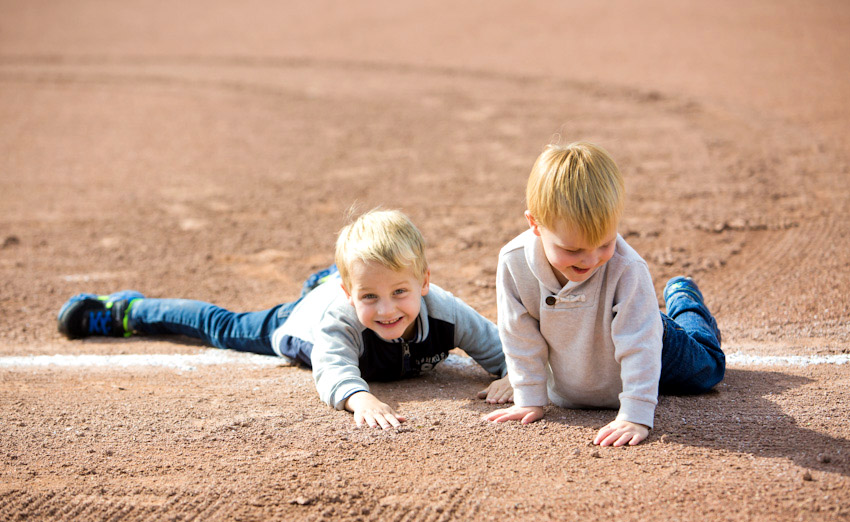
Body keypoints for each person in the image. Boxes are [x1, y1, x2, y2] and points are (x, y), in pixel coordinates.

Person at [58, 209, 509, 429]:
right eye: (370, 296)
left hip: (340, 283)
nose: (388, 310)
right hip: (300, 317)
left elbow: (501, 345)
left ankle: (334, 272)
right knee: (225, 327)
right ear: (350, 294)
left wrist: (514, 374)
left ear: (424, 283)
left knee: (364, 283)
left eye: (400, 293)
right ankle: (127, 310)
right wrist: (359, 399)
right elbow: (333, 369)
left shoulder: (445, 311)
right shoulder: (339, 315)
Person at [485, 141, 725, 446]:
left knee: (709, 371)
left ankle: (684, 297)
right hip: (590, 352)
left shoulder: (627, 268)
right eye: (572, 249)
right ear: (535, 224)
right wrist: (529, 398)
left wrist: (635, 414)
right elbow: (517, 334)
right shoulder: (513, 262)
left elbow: (640, 343)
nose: (589, 260)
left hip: (654, 341)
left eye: (604, 244)